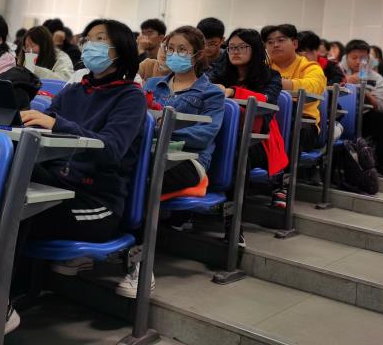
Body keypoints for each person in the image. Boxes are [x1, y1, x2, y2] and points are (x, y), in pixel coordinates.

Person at [19, 18, 146, 297]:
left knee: (12, 214)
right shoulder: (75, 90)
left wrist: (58, 124)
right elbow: (45, 123)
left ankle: (2, 299)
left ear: (120, 49)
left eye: (100, 39)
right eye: (87, 39)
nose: (90, 45)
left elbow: (111, 149)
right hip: (58, 184)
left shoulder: (130, 97)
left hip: (95, 201)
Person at [144, 26, 225, 197]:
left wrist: (158, 132)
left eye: (182, 50)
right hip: (148, 151)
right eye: (170, 49)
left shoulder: (211, 93)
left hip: (187, 159)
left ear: (198, 55)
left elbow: (204, 135)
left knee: (140, 178)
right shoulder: (152, 84)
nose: (174, 54)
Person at [207, 29, 286, 178]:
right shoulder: (218, 72)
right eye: (231, 47)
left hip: (257, 138)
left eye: (242, 47)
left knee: (232, 148)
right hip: (217, 129)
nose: (235, 52)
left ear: (255, 49)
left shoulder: (271, 76)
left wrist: (234, 92)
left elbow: (267, 100)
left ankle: (232, 193)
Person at [261, 24, 326, 153]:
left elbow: (314, 86)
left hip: (303, 120)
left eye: (281, 40)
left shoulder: (310, 67)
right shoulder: (262, 67)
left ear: (295, 44)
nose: (275, 45)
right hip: (268, 116)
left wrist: (276, 83)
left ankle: (284, 166)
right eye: (270, 42)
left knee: (290, 133)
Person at [340, 40, 383, 177]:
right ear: (346, 57)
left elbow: (380, 104)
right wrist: (346, 82)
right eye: (354, 57)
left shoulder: (376, 77)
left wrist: (364, 91)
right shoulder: (337, 70)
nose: (358, 62)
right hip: (338, 116)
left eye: (363, 58)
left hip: (364, 117)